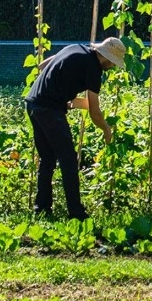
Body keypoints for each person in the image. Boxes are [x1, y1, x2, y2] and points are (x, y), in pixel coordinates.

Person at [24, 36, 125, 220]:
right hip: (49, 108)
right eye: (113, 63)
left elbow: (43, 65)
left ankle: (42, 209)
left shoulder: (75, 48)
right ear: (106, 58)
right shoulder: (93, 69)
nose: (113, 66)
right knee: (69, 160)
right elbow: (94, 112)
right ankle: (76, 213)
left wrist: (62, 92)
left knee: (48, 158)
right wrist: (106, 129)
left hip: (33, 103)